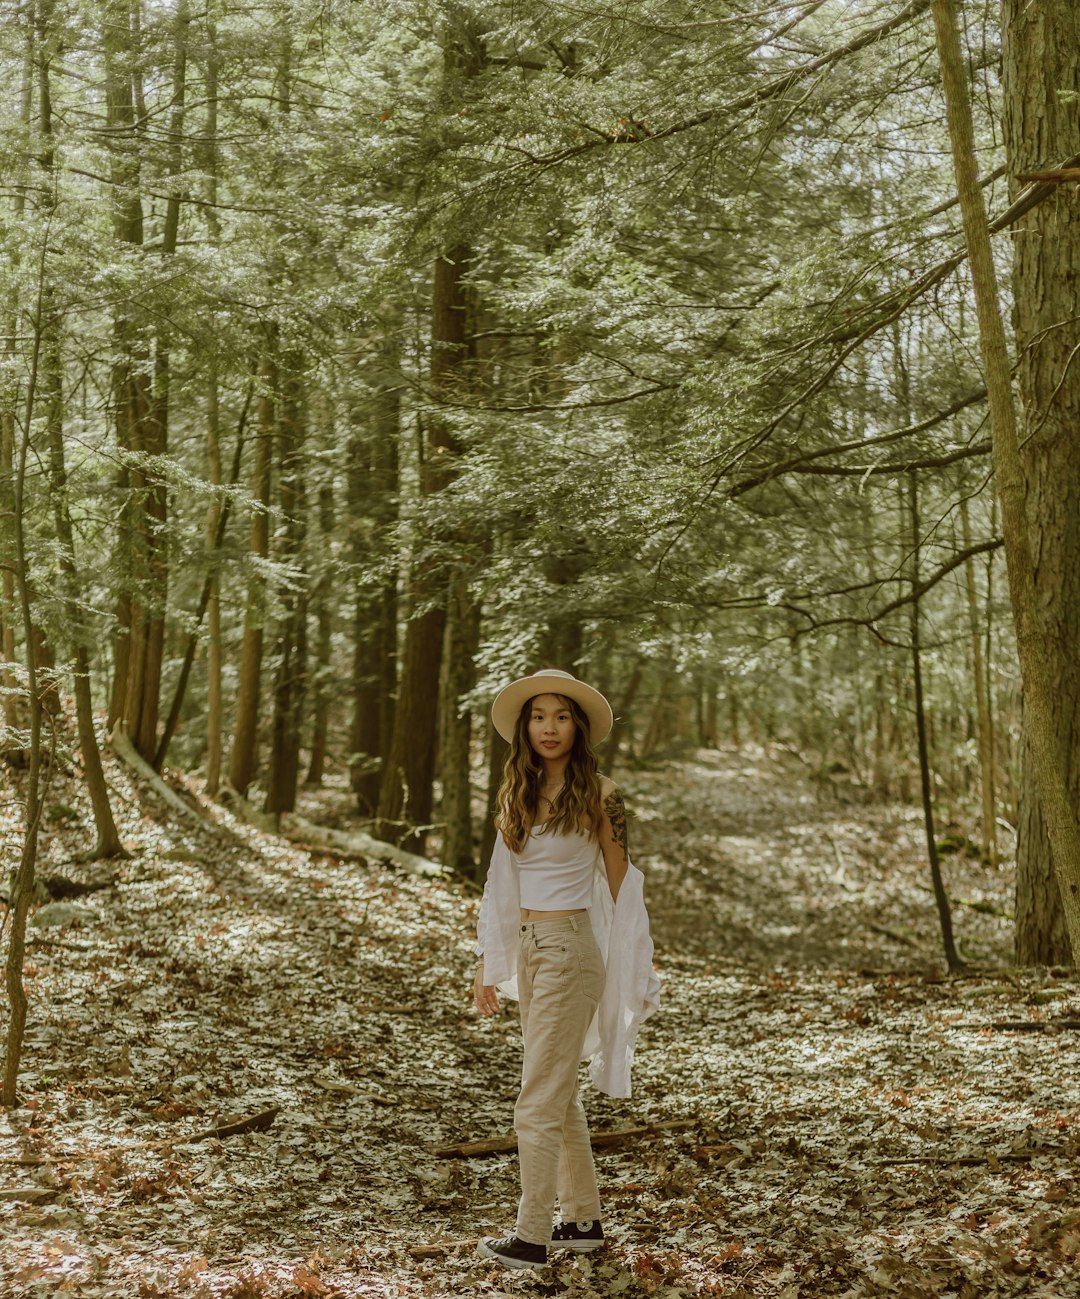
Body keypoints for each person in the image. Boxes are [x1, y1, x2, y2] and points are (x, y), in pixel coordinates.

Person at [473, 668, 659, 1272]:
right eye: (537, 716)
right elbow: (502, 883)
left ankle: (530, 1236)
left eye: (560, 717)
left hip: (570, 949)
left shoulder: (600, 794)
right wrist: (488, 960)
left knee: (536, 1101)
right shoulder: (517, 791)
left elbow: (622, 883)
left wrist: (637, 961)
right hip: (530, 948)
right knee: (558, 1092)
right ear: (524, 728)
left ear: (577, 727)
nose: (548, 728)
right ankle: (581, 1220)